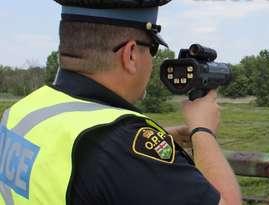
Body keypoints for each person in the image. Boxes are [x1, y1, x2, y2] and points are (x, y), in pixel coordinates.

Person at [0, 0, 242, 204]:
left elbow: (66, 153)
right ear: (130, 55)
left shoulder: (22, 111)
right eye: (153, 48)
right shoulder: (122, 145)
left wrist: (165, 138)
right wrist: (203, 130)